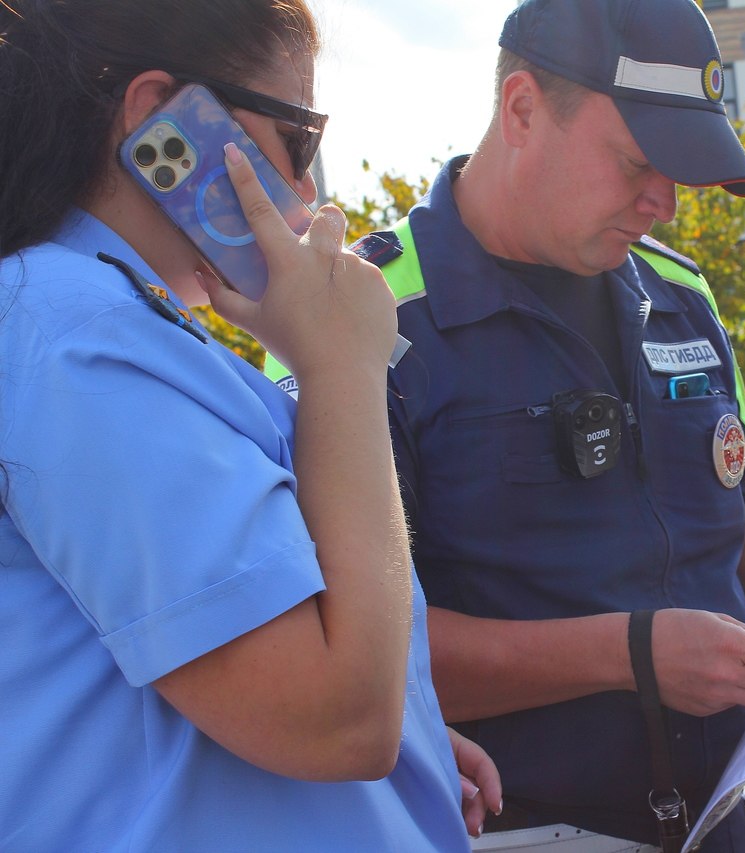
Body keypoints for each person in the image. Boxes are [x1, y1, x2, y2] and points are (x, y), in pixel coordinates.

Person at [267, 0, 745, 849]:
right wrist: (631, 652)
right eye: (640, 162)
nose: (666, 204)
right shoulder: (354, 322)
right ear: (522, 108)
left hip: (718, 823)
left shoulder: (683, 299)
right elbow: (331, 655)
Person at [0, 1, 500, 849]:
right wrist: (341, 367)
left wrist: (409, 729)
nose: (306, 191)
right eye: (298, 138)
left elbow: (162, 665)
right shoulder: (80, 338)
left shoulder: (94, 323)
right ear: (161, 117)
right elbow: (339, 721)